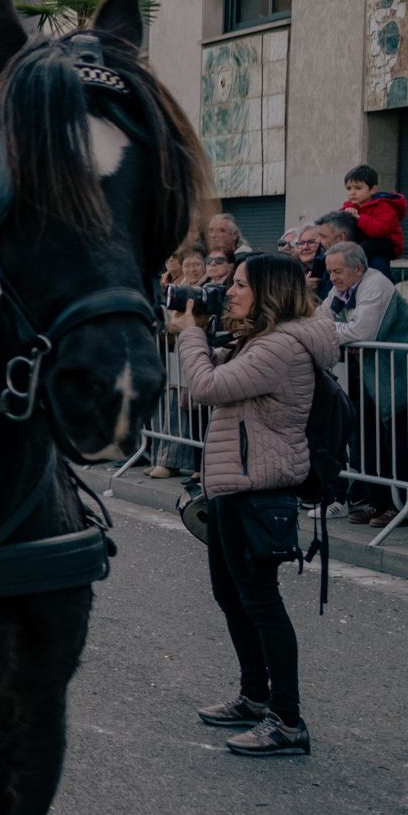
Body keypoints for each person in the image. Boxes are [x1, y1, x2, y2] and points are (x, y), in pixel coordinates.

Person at [171, 252, 335, 757]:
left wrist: (191, 333)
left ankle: (287, 720)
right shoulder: (258, 342)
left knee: (261, 602)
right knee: (232, 594)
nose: (230, 292)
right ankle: (255, 695)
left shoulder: (281, 348)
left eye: (240, 285)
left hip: (258, 488)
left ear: (270, 292)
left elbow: (204, 388)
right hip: (233, 485)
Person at [325, 242, 408, 528]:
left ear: (358, 268)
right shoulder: (342, 290)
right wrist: (336, 329)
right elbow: (321, 318)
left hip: (402, 375)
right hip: (373, 376)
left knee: (397, 441)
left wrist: (331, 330)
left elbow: (361, 330)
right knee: (368, 439)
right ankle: (376, 501)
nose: (332, 278)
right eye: (330, 272)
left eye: (338, 271)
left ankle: (401, 505)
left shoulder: (375, 284)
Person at [340, 164, 406, 276]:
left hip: (387, 244)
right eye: (349, 188)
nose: (352, 192)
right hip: (365, 245)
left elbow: (380, 229)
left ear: (373, 190)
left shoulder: (383, 206)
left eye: (358, 188)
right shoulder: (349, 206)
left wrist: (359, 218)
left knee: (374, 258)